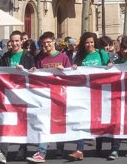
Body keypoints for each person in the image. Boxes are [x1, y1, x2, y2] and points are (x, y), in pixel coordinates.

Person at [0, 31, 36, 164]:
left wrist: (25, 69)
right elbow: (0, 70)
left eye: (17, 41)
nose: (15, 43)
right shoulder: (6, 56)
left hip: (23, 95)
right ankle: (2, 152)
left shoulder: (28, 56)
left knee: (22, 123)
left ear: (22, 41)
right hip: (8, 96)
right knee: (6, 121)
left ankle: (23, 148)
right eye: (12, 41)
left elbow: (33, 72)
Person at [27, 32, 73, 163]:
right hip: (45, 96)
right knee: (44, 124)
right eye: (43, 43)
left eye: (48, 42)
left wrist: (63, 70)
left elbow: (70, 75)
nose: (46, 45)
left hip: (60, 94)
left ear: (54, 42)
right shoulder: (40, 58)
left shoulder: (63, 57)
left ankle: (60, 148)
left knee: (59, 122)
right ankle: (41, 152)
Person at [68, 32, 111, 161]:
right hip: (84, 93)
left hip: (100, 92)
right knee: (82, 120)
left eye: (91, 42)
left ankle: (99, 147)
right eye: (87, 42)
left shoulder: (101, 53)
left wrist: (109, 65)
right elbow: (75, 71)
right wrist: (74, 67)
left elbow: (110, 65)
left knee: (98, 120)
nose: (89, 44)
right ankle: (79, 149)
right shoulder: (80, 56)